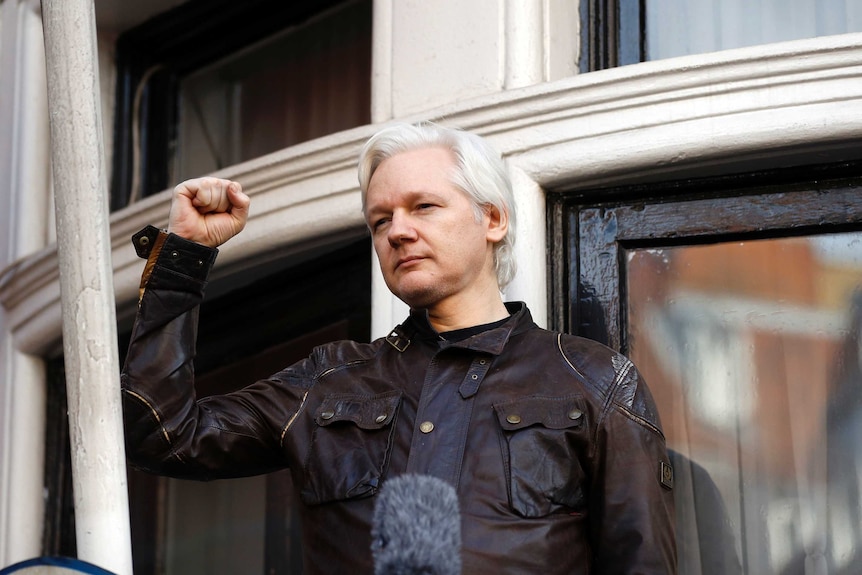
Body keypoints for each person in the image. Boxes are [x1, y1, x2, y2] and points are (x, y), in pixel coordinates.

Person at [122, 122, 676, 574]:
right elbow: (161, 434)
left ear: (493, 219)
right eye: (381, 219)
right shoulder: (329, 381)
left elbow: (642, 561)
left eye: (424, 207)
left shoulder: (595, 380)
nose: (398, 232)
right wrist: (184, 256)